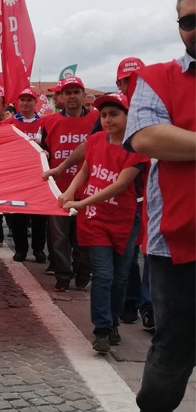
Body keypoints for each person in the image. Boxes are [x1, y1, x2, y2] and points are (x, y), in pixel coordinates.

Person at [125, 0, 196, 412]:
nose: (194, 28)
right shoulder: (158, 77)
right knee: (174, 344)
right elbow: (146, 136)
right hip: (178, 240)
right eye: (187, 21)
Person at [59, 93, 147, 354]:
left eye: (114, 114)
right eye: (104, 115)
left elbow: (120, 185)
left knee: (120, 277)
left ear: (128, 117)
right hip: (96, 219)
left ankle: (113, 321)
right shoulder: (95, 140)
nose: (107, 120)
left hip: (124, 220)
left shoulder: (137, 148)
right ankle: (101, 329)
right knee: (104, 275)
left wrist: (80, 203)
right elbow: (86, 170)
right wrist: (71, 192)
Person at [40, 76, 99, 292]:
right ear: (61, 97)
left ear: (84, 95)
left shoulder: (98, 119)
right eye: (68, 92)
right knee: (58, 237)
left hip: (90, 190)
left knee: (83, 235)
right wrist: (42, 153)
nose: (72, 96)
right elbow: (42, 151)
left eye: (76, 92)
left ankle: (83, 273)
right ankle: (63, 275)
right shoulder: (49, 122)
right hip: (59, 189)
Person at [8, 88, 47, 263]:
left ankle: (38, 249)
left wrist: (46, 151)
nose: (25, 103)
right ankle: (20, 249)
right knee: (17, 214)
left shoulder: (44, 123)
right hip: (16, 175)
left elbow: (50, 145)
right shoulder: (10, 124)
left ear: (35, 102)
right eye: (22, 100)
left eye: (28, 100)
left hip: (39, 175)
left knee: (39, 215)